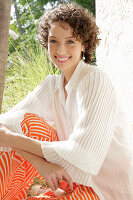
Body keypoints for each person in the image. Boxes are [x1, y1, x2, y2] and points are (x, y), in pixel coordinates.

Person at [0, 2, 133, 200]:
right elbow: (6, 123)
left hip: (106, 191)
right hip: (71, 182)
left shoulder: (95, 80)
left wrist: (13, 139)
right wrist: (39, 163)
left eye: (70, 42)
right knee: (24, 122)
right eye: (53, 41)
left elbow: (86, 156)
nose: (60, 50)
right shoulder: (52, 85)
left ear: (85, 45)